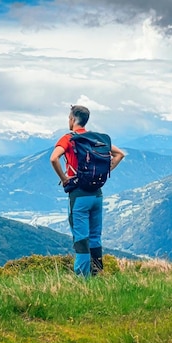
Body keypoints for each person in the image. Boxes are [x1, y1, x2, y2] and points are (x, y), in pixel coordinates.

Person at [49, 105, 125, 276]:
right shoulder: (96, 139)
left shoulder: (69, 139)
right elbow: (120, 154)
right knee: (95, 237)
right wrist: (105, 171)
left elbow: (54, 158)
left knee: (81, 240)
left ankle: (83, 281)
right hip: (97, 195)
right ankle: (97, 274)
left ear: (72, 119)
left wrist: (63, 178)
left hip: (79, 195)